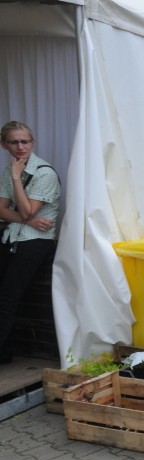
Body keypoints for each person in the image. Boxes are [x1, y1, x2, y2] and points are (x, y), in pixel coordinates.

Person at [0, 121, 60, 364]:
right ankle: (4, 353)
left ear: (33, 142)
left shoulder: (44, 172)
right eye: (14, 142)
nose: (20, 147)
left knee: (7, 296)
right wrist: (31, 220)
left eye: (25, 141)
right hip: (13, 237)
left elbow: (25, 211)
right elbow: (3, 210)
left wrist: (16, 178)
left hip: (36, 242)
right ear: (4, 144)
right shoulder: (8, 170)